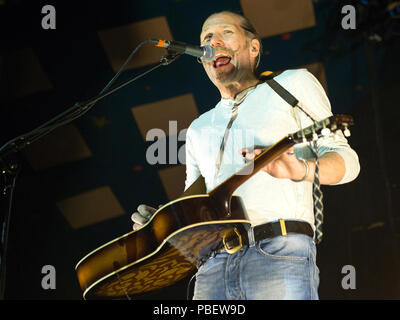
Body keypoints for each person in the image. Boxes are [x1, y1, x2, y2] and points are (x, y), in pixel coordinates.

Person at [131, 11, 360, 300]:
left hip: (277, 251)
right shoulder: (198, 129)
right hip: (211, 267)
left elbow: (348, 162)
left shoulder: (292, 84)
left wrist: (300, 169)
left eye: (225, 33)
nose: (213, 41)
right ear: (203, 61)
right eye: (206, 38)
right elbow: (195, 207)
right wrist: (164, 223)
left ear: (253, 48)